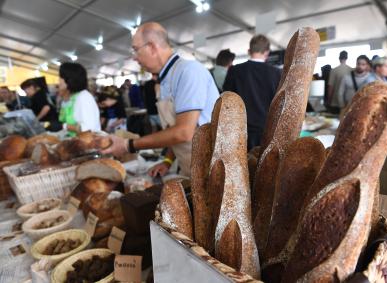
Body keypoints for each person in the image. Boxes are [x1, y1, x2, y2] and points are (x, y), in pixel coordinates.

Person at [103, 22, 219, 177]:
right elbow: (174, 128)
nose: (134, 57)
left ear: (151, 46)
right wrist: (168, 161)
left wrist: (128, 145)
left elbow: (184, 132)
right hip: (189, 170)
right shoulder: (164, 81)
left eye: (135, 49)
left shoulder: (188, 71)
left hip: (212, 172)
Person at [222, 34, 281, 150]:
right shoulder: (276, 73)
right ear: (267, 52)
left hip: (240, 132)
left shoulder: (235, 71)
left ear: (249, 50)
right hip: (268, 131)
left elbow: (226, 100)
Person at [58, 62, 101, 136]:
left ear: (69, 79)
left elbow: (88, 129)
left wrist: (64, 126)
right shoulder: (74, 96)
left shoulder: (84, 98)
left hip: (87, 145)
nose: (58, 81)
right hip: (76, 141)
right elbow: (64, 118)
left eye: (61, 77)